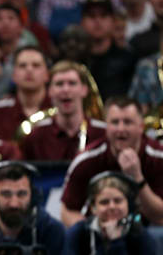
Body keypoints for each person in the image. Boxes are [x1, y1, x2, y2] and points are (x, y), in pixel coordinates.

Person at [60, 96, 163, 227]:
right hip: (100, 235)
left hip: (150, 233)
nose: (121, 129)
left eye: (127, 122)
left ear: (141, 126)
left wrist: (137, 177)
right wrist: (93, 233)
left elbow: (160, 217)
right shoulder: (86, 160)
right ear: (106, 127)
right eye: (115, 122)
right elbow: (67, 211)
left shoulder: (158, 157)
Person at [21, 60, 107, 160]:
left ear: (84, 90)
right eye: (59, 84)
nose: (65, 89)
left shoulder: (103, 133)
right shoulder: (36, 137)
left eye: (72, 83)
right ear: (50, 91)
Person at [64, 171, 157, 254]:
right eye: (104, 202)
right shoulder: (78, 233)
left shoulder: (139, 234)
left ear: (128, 204)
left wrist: (116, 241)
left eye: (118, 201)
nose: (112, 206)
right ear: (93, 207)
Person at [0, 46, 51, 141]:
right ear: (13, 75)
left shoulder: (60, 110)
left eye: (36, 65)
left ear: (47, 74)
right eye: (22, 66)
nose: (29, 70)